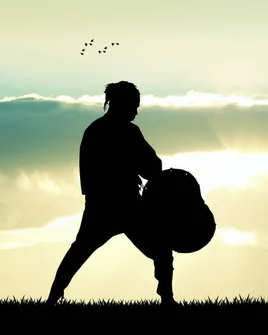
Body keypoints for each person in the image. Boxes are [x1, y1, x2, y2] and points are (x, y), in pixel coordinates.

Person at [45, 81, 176, 307]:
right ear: (122, 104)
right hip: (127, 205)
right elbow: (152, 168)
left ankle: (51, 300)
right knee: (161, 251)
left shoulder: (94, 131)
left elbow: (89, 174)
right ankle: (167, 299)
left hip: (99, 205)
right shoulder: (129, 132)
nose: (136, 111)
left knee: (78, 253)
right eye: (134, 106)